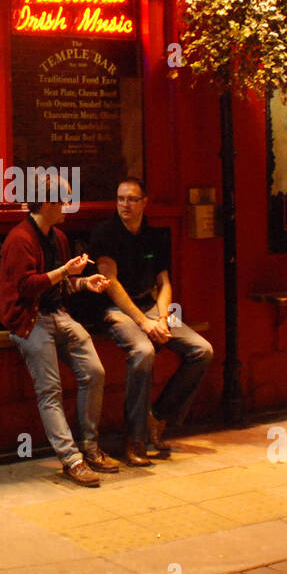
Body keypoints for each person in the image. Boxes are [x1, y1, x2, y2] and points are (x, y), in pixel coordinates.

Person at [0, 173, 113, 487]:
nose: (67, 207)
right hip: (29, 320)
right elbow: (25, 287)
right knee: (50, 392)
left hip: (57, 314)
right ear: (47, 203)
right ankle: (71, 459)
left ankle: (89, 445)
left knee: (95, 371)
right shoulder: (20, 239)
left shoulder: (58, 237)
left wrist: (83, 283)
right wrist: (65, 270)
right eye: (63, 201)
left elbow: (58, 286)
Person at [90, 177, 214, 463]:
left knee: (202, 350)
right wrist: (145, 324)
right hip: (116, 310)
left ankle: (158, 416)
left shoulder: (155, 236)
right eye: (120, 199)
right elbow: (110, 283)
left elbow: (164, 283)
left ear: (145, 202)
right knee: (144, 351)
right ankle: (134, 439)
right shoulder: (105, 233)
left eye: (132, 199)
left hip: (150, 308)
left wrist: (161, 317)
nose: (125, 205)